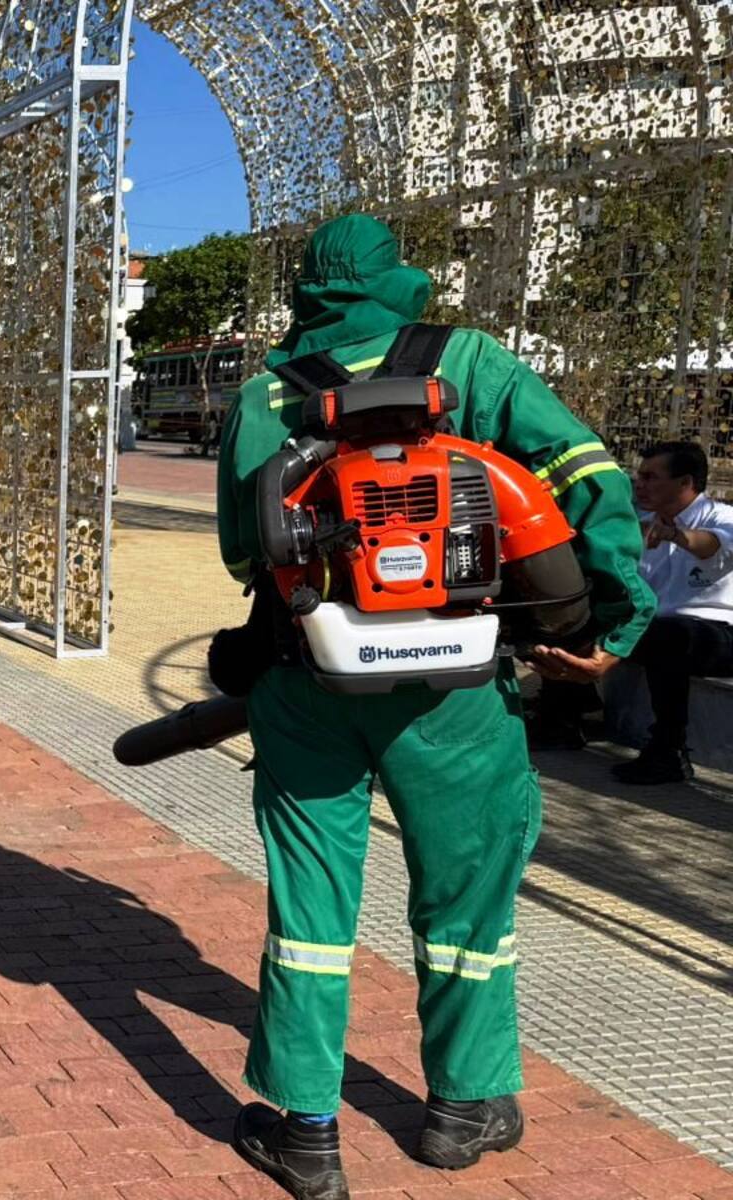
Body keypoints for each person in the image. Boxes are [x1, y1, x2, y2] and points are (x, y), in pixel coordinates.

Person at [216, 215, 655, 1200]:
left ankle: (306, 1129)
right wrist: (612, 627)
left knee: (310, 909)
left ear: (311, 292)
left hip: (310, 680)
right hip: (459, 688)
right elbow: (588, 480)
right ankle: (463, 1109)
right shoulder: (473, 364)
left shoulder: (264, 394)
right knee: (467, 900)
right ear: (397, 284)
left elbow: (244, 553)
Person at [614, 441, 733, 783]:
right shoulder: (640, 522)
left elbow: (713, 545)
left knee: (670, 635)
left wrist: (674, 535)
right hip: (654, 628)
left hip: (718, 635)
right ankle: (565, 714)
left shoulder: (722, 517)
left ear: (685, 483)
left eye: (651, 477)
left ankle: (669, 750)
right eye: (639, 475)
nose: (640, 483)